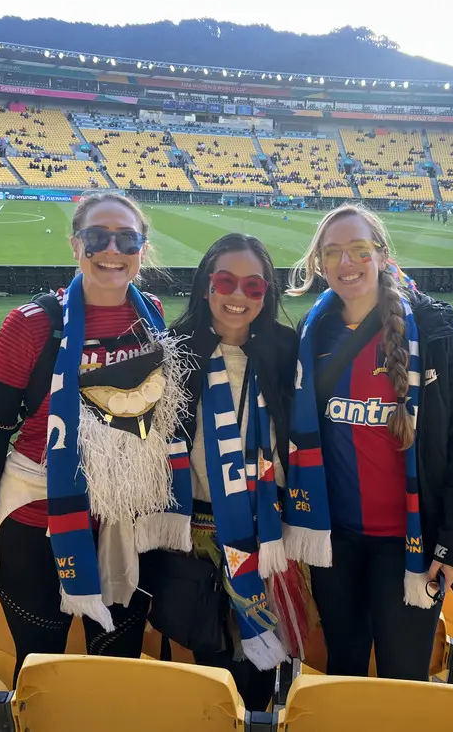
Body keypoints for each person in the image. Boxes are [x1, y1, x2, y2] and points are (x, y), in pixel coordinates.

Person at [0, 192, 190, 683]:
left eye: (127, 238)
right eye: (98, 237)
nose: (113, 248)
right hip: (36, 512)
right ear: (75, 245)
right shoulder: (30, 325)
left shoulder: (149, 311)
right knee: (43, 671)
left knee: (116, 668)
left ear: (142, 249)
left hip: (121, 513)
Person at [283, 204, 453, 681]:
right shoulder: (311, 335)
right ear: (318, 263)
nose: (346, 262)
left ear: (381, 254)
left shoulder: (437, 333)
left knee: (404, 678)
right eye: (332, 252)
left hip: (411, 546)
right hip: (334, 543)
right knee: (344, 670)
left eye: (358, 249)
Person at [138, 234, 302, 712]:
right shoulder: (175, 349)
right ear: (206, 286)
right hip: (192, 533)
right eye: (225, 282)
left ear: (267, 292)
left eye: (253, 286)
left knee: (256, 668)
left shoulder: (285, 349)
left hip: (266, 530)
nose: (237, 297)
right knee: (201, 662)